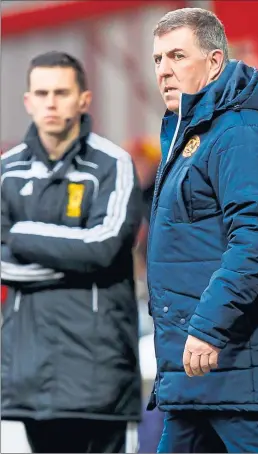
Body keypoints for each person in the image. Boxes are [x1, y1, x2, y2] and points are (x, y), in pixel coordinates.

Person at [147, 7, 258, 453]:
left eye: (177, 56)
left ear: (215, 62)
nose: (164, 70)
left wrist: (207, 327)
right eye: (158, 59)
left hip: (245, 373)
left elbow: (257, 241)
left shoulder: (242, 131)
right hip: (201, 376)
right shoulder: (195, 134)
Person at [1, 51, 143, 453]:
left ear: (84, 99)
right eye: (41, 93)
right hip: (29, 373)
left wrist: (22, 235)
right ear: (27, 100)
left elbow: (102, 248)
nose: (50, 102)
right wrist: (72, 258)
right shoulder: (6, 170)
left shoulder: (113, 165)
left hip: (100, 373)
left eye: (61, 92)